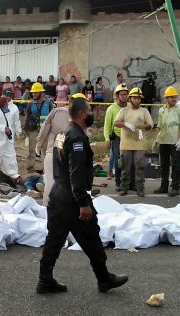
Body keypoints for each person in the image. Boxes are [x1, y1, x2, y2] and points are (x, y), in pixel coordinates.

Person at [36, 97, 128, 294]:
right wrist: (83, 203)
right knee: (91, 236)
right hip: (71, 198)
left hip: (58, 194)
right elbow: (76, 172)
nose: (91, 116)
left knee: (55, 238)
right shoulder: (77, 137)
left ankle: (45, 280)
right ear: (80, 114)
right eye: (89, 112)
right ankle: (104, 279)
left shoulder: (63, 134)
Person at [37, 93, 87, 206]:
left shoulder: (57, 111)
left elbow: (45, 128)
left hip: (54, 152)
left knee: (50, 183)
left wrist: (39, 144)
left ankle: (48, 208)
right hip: (67, 156)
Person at [114, 87, 153, 197]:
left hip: (140, 144)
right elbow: (116, 123)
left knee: (140, 167)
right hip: (126, 144)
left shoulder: (144, 111)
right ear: (130, 99)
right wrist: (125, 124)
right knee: (125, 168)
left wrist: (142, 126)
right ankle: (123, 188)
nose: (137, 100)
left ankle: (140, 188)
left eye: (139, 98)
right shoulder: (124, 110)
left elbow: (150, 124)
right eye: (135, 98)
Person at [154, 86, 180, 197]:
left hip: (174, 141)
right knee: (164, 165)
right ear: (166, 98)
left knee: (175, 165)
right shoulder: (161, 110)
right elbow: (159, 125)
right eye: (171, 97)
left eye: (175, 96)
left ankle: (175, 188)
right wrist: (156, 139)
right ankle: (164, 186)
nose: (174, 98)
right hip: (163, 140)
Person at [0, 93, 22, 180]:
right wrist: (3, 129)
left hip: (7, 137)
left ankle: (12, 172)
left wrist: (17, 130)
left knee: (10, 154)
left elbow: (15, 121)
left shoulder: (11, 109)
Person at [104, 84, 128, 186]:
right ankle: (118, 183)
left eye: (126, 94)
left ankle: (127, 182)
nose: (124, 96)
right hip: (117, 138)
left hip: (128, 137)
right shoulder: (111, 109)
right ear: (117, 96)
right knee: (118, 160)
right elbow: (107, 125)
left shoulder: (130, 107)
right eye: (121, 94)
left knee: (128, 160)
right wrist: (107, 139)